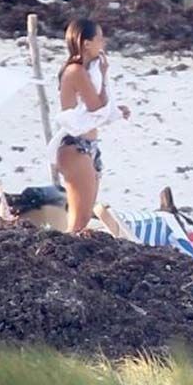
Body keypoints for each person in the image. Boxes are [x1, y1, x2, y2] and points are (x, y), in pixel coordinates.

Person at [50, 19, 130, 232]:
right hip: (75, 146)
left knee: (84, 217)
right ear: (86, 43)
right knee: (79, 219)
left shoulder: (84, 71)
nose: (103, 43)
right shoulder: (75, 71)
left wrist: (115, 110)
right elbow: (97, 107)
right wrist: (104, 75)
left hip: (88, 145)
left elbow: (95, 107)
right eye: (99, 38)